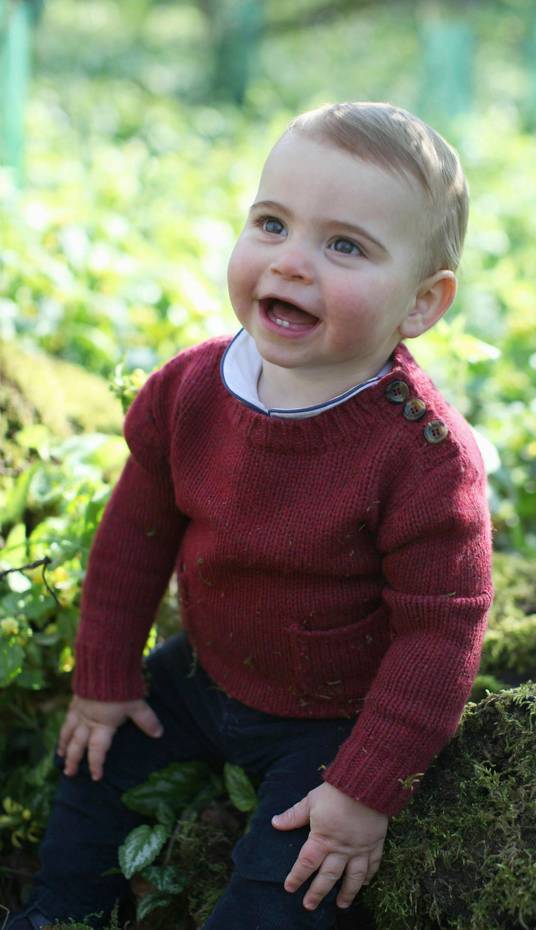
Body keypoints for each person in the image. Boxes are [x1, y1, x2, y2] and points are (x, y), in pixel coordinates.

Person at [9, 101, 493, 930]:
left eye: (344, 245)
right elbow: (136, 536)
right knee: (91, 772)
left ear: (421, 303)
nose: (293, 262)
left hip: (333, 716)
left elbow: (441, 630)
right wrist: (105, 678)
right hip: (201, 672)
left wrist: (366, 787)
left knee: (292, 883)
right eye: (272, 223)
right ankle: (59, 909)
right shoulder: (193, 388)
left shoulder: (420, 455)